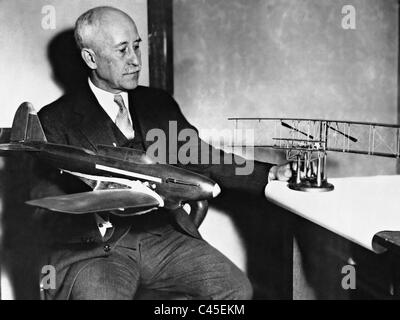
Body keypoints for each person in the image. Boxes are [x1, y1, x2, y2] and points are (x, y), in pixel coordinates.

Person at [35, 6, 292, 300]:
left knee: (235, 290)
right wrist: (96, 213)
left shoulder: (157, 103)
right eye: (122, 51)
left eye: (136, 46)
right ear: (90, 58)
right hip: (98, 250)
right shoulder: (55, 120)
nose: (135, 61)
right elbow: (42, 209)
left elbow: (200, 155)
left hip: (162, 237)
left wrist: (270, 173)